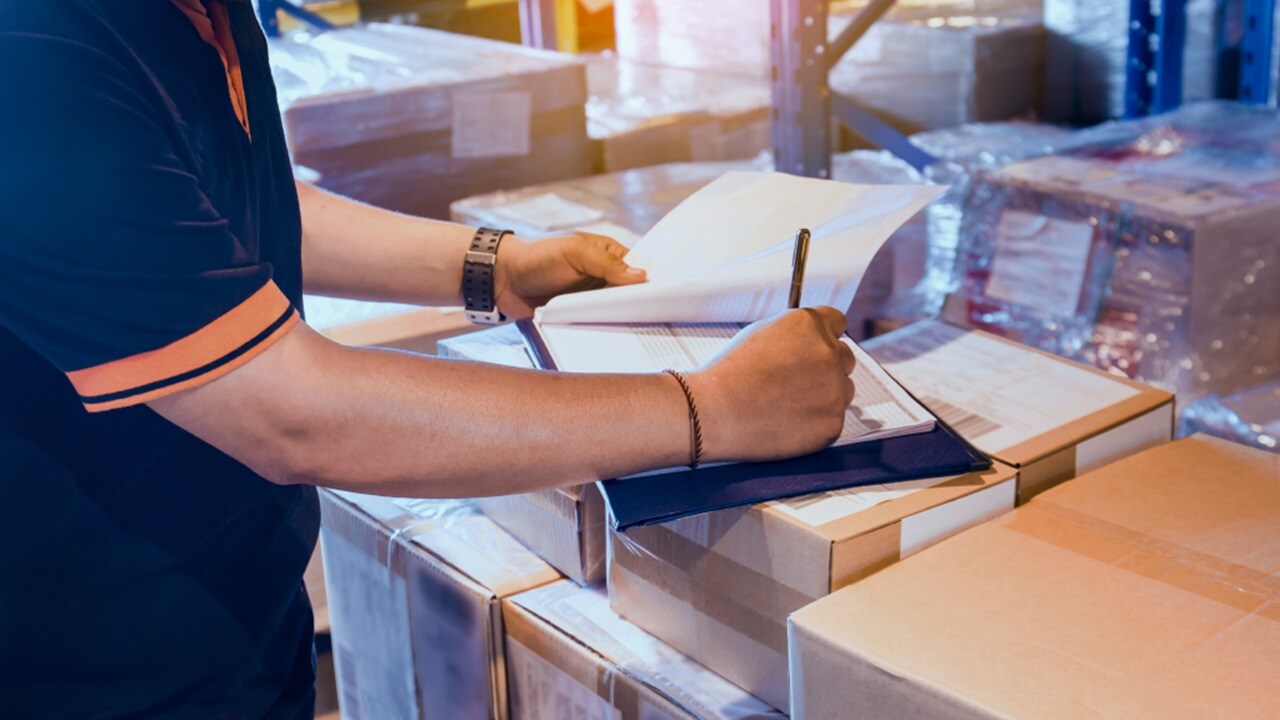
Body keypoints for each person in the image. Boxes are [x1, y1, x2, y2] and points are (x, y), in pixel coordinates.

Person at [0, 1, 855, 718]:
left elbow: (210, 207)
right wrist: (713, 409)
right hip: (93, 668)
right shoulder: (32, 43)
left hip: (231, 613)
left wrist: (494, 266)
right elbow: (293, 411)